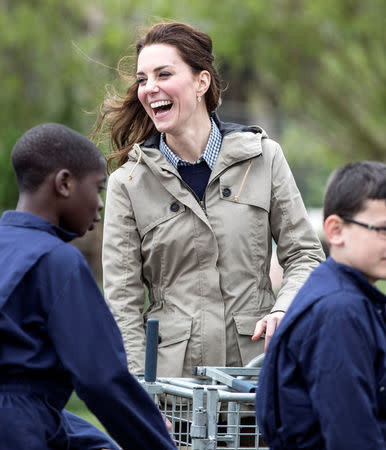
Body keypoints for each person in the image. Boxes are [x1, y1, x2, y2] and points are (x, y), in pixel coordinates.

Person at [96, 22, 325, 378]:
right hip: (176, 389)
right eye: (143, 79)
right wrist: (143, 395)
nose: (149, 88)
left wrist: (285, 308)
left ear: (201, 82)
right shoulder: (127, 183)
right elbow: (121, 305)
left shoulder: (263, 157)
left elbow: (305, 255)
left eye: (163, 74)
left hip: (257, 376)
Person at [0, 123, 176, 450]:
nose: (99, 204)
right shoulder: (57, 261)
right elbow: (102, 379)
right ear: (65, 183)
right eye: (97, 189)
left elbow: (24, 397)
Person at [255, 161, 386, 449]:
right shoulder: (339, 312)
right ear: (335, 230)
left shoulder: (340, 295)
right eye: (383, 230)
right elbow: (351, 437)